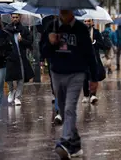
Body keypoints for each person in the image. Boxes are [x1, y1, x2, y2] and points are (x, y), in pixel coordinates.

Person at [41, 10, 99, 158]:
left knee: (69, 108)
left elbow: (89, 53)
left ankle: (66, 141)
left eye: (67, 11)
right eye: (62, 11)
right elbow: (43, 52)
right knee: (61, 108)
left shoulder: (80, 28)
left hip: (76, 73)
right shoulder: (51, 26)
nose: (64, 14)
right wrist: (50, 42)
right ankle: (76, 144)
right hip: (57, 72)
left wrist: (94, 78)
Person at [4, 13, 35, 106]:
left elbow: (30, 42)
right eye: (13, 17)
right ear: (11, 18)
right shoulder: (6, 30)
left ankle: (17, 96)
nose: (15, 19)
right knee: (9, 76)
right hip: (10, 56)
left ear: (20, 18)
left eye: (17, 17)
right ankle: (11, 91)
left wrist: (22, 40)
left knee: (21, 77)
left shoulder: (24, 30)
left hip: (21, 56)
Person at [82, 19, 109, 104]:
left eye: (89, 21)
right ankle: (86, 95)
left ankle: (93, 95)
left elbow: (102, 45)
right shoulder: (80, 32)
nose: (87, 23)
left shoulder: (97, 33)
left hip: (94, 58)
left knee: (94, 76)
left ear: (92, 22)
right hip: (84, 58)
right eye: (85, 21)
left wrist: (95, 42)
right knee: (85, 77)